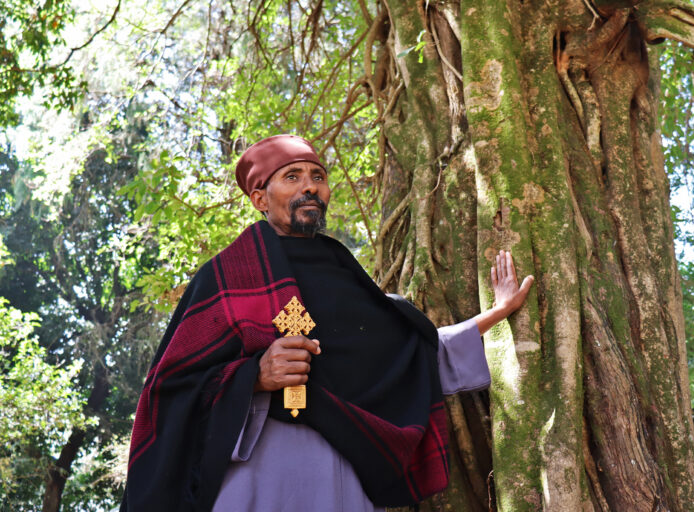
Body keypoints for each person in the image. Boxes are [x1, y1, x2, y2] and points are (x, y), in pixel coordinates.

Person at [121, 135, 533, 512]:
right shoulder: (227, 276)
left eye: (318, 176)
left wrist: (494, 315)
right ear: (260, 198)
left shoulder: (346, 275)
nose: (310, 186)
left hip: (343, 473)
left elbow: (407, 355)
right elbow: (172, 389)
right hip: (261, 476)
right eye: (292, 176)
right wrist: (255, 375)